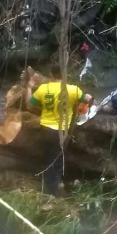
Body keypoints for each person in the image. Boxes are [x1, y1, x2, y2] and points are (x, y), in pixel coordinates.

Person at [25, 64, 91, 195]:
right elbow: (87, 99)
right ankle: (51, 192)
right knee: (57, 162)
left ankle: (50, 188)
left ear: (50, 75)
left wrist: (28, 87)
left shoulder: (43, 89)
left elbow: (28, 105)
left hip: (45, 130)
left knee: (49, 159)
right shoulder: (73, 90)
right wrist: (87, 98)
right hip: (62, 132)